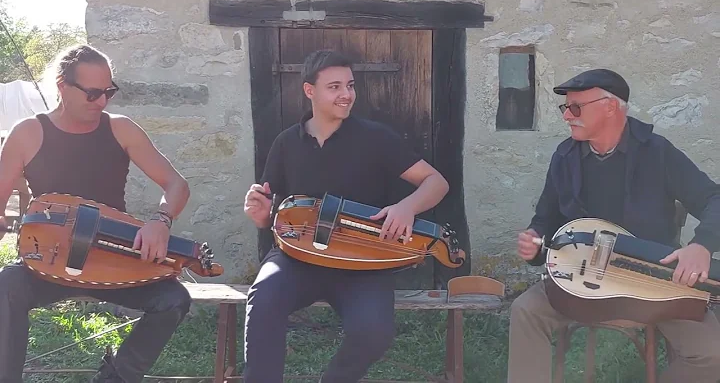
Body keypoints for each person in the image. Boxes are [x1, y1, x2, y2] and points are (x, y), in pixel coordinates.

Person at [242, 49, 450, 382]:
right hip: (297, 260)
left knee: (374, 333)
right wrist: (261, 215)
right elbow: (270, 215)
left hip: (362, 263)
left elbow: (436, 182)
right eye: (335, 86)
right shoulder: (285, 143)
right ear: (310, 91)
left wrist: (406, 207)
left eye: (350, 85)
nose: (346, 94)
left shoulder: (376, 137)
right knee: (263, 298)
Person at [507, 68, 720, 383]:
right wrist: (534, 244)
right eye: (565, 107)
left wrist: (701, 245)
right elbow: (544, 221)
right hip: (581, 278)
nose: (567, 116)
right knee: (525, 311)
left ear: (610, 107)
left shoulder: (657, 152)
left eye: (576, 107)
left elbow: (712, 198)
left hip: (651, 277)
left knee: (712, 355)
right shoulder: (564, 157)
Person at [0, 44, 193, 383]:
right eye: (92, 93)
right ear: (62, 86)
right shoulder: (27, 133)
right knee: (6, 285)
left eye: (108, 92)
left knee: (172, 299)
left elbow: (176, 184)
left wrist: (160, 221)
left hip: (111, 260)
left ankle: (114, 378)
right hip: (47, 262)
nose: (102, 102)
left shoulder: (121, 129)